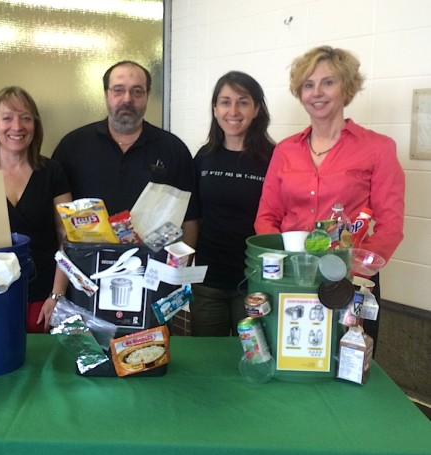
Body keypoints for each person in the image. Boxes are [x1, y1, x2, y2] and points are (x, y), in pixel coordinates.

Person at [254, 46, 405, 346]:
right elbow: (267, 216)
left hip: (350, 280)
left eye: (328, 82)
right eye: (308, 85)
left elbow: (391, 225)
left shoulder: (378, 148)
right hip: (291, 274)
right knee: (292, 355)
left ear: (346, 88)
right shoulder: (285, 150)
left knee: (346, 362)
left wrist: (355, 266)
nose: (317, 92)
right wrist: (283, 261)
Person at [52, 60, 197, 244]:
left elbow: (190, 219)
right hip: (87, 268)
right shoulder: (72, 146)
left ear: (147, 96)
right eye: (118, 90)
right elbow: (58, 221)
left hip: (153, 269)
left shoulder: (174, 150)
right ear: (106, 95)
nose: (127, 99)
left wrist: (179, 269)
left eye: (137, 91)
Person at [0, 86, 72, 333]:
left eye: (25, 118)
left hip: (41, 295)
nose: (17, 126)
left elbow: (67, 239)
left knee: (39, 364)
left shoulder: (52, 172)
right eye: (7, 118)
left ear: (35, 125)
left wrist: (57, 296)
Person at [189, 71, 275, 337]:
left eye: (243, 102)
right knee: (206, 362)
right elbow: (193, 216)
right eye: (225, 102)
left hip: (254, 282)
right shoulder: (204, 157)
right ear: (215, 109)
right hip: (207, 283)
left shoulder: (275, 158)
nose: (233, 111)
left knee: (253, 357)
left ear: (257, 108)